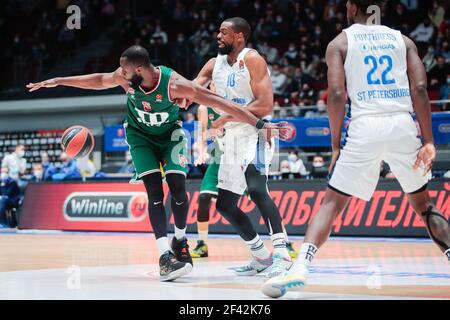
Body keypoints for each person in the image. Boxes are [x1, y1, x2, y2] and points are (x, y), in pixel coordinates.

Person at [27, 45, 285, 282]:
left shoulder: (175, 84)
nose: (121, 74)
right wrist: (59, 80)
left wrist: (261, 123)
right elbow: (97, 80)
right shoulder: (124, 76)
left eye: (126, 70)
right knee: (154, 193)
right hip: (140, 137)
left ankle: (181, 240)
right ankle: (165, 256)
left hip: (170, 136)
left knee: (178, 188)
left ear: (139, 69)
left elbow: (221, 102)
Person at [262, 0, 450, 298]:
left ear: (351, 7)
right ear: (381, 7)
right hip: (402, 124)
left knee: (332, 203)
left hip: (365, 125)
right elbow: (419, 90)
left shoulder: (340, 42)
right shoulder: (404, 40)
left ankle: (300, 267)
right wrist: (428, 140)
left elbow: (337, 94)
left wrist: (336, 145)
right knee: (424, 206)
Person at [194, 17, 293, 277]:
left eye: (224, 32)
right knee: (225, 205)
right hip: (231, 138)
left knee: (257, 187)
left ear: (239, 36)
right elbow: (191, 90)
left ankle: (282, 253)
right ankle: (261, 255)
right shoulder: (213, 64)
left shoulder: (252, 59)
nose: (218, 36)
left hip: (257, 130)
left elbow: (265, 105)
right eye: (218, 31)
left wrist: (227, 116)